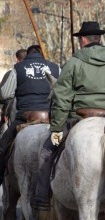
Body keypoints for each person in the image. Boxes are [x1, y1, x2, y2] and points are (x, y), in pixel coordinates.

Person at [31, 21, 105, 210]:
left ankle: (42, 198)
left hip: (78, 119)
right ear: (99, 39)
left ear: (82, 39)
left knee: (47, 151)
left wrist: (56, 128)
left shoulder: (74, 62)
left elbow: (61, 98)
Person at [0, 45, 60, 185]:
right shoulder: (56, 67)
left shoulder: (18, 68)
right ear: (41, 54)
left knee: (2, 146)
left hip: (26, 116)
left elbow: (5, 94)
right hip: (52, 117)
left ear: (28, 55)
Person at [0, 49, 27, 127]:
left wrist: (4, 112)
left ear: (17, 60)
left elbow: (2, 95)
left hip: (15, 112)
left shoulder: (11, 73)